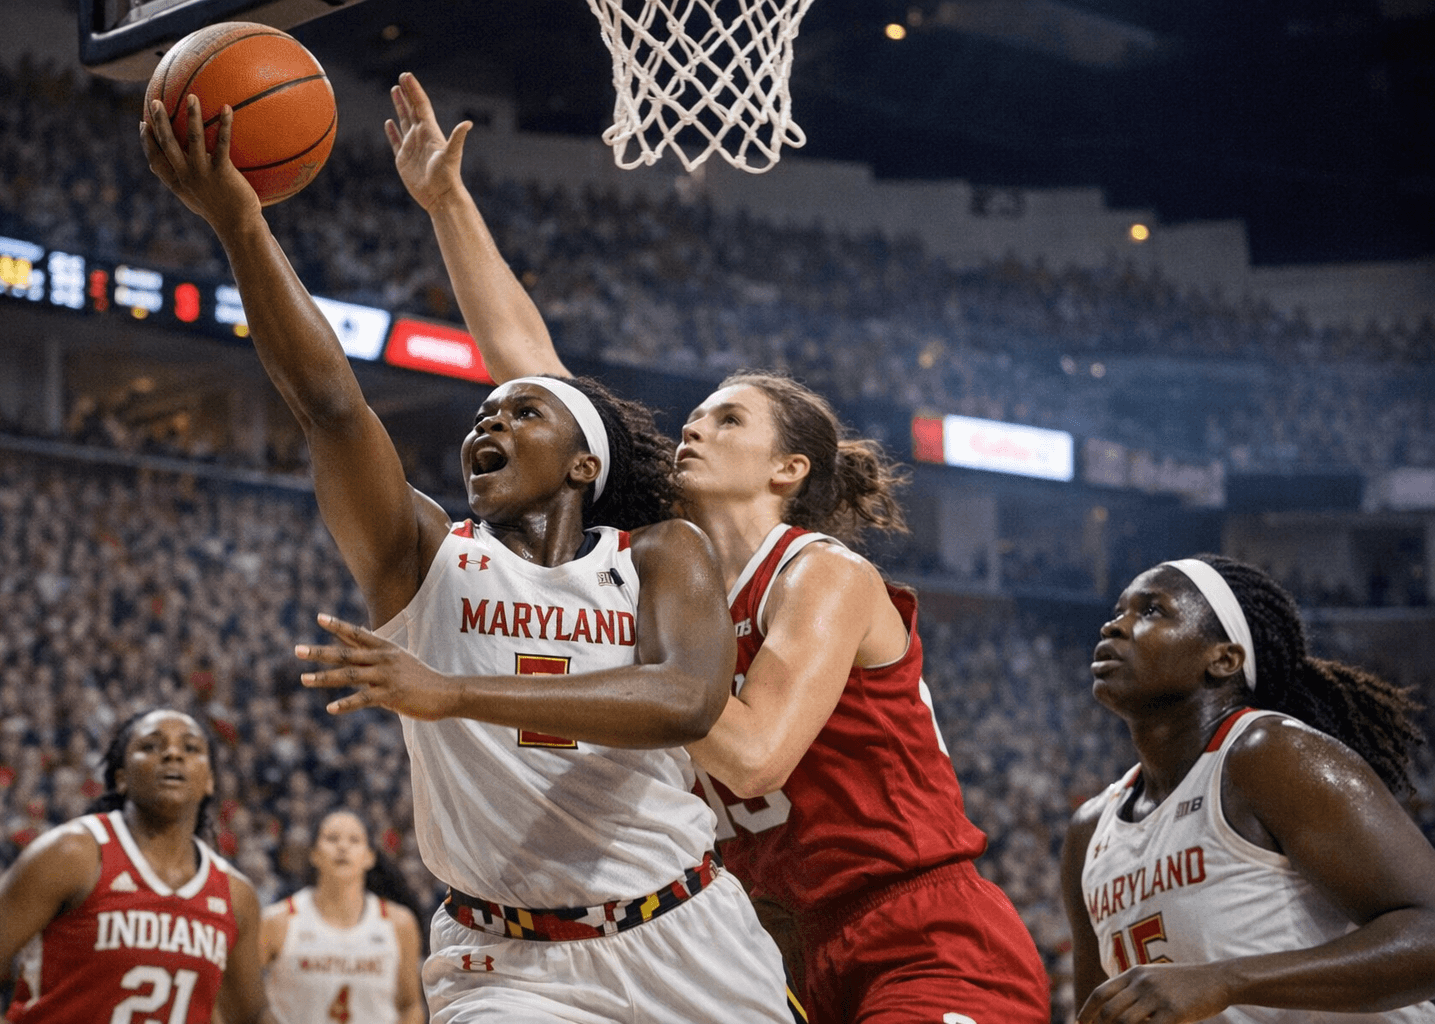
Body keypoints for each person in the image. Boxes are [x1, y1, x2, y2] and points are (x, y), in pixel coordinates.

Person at [384, 72, 1050, 1023]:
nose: (692, 429)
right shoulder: (670, 566)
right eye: (693, 416)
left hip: (916, 929)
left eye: (726, 419)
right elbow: (542, 381)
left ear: (788, 469)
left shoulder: (823, 574)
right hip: (770, 938)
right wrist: (448, 203)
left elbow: (754, 758)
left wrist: (642, 678)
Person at [141, 96, 798, 1024]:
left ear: (584, 463)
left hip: (685, 936)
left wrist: (450, 693)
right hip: (505, 963)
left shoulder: (656, 552)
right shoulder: (425, 559)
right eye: (484, 413)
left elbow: (685, 701)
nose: (489, 418)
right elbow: (331, 406)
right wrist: (241, 224)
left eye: (522, 410)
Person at [1060, 554, 1435, 1023]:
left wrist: (1225, 980)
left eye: (1151, 610)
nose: (1113, 627)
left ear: (1223, 658)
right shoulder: (1089, 830)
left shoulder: (1266, 754)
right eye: (1118, 611)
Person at [0, 708, 275, 1024]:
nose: (172, 753)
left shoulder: (235, 894)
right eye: (151, 746)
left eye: (191, 748)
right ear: (121, 777)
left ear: (209, 779)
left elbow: (252, 1014)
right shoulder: (73, 854)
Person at [261, 810, 425, 1024]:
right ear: (314, 854)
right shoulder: (278, 920)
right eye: (332, 839)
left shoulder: (399, 923)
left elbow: (410, 1005)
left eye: (354, 840)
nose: (342, 846)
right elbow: (244, 998)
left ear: (369, 857)